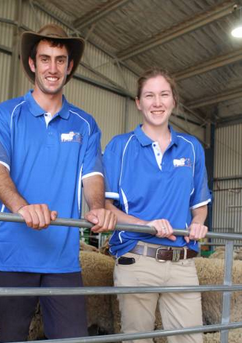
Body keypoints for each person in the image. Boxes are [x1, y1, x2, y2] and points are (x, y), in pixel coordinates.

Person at [0, 24, 116, 342]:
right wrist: (22, 207)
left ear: (69, 67)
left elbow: (92, 176)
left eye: (60, 60)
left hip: (62, 257)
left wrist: (98, 208)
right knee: (12, 337)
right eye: (45, 59)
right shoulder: (5, 115)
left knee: (72, 337)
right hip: (13, 254)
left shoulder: (85, 124)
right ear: (32, 63)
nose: (52, 68)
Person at [103, 67, 211, 343]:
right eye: (149, 96)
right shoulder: (120, 147)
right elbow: (107, 208)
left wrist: (198, 223)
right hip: (138, 259)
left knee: (191, 339)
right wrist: (146, 225)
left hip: (182, 263)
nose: (157, 102)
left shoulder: (192, 148)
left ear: (174, 100)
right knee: (137, 339)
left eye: (164, 94)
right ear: (138, 103)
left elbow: (199, 205)